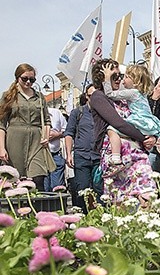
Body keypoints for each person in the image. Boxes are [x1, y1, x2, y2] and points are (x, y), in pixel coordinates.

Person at [90, 59, 156, 203]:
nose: (119, 79)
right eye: (114, 76)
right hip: (116, 157)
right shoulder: (98, 96)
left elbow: (143, 119)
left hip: (136, 153)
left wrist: (152, 137)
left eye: (120, 76)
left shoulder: (125, 96)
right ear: (102, 77)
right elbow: (118, 123)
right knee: (121, 201)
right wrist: (143, 138)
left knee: (147, 193)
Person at [0, 63, 56, 191]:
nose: (28, 82)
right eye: (25, 78)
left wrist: (46, 137)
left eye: (32, 79)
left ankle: (37, 209)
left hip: (37, 142)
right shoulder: (8, 96)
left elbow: (47, 121)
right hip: (14, 140)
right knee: (15, 178)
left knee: (38, 177)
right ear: (17, 78)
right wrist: (1, 148)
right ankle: (17, 209)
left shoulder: (40, 97)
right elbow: (1, 124)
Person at [100, 64, 160, 176]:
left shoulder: (132, 92)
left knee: (111, 129)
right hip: (148, 122)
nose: (123, 80)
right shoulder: (142, 93)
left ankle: (116, 158)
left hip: (139, 120)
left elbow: (110, 94)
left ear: (135, 80)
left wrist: (107, 79)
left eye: (126, 77)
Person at [64, 86, 102, 212]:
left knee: (99, 189)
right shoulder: (78, 112)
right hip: (81, 156)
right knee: (82, 188)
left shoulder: (103, 113)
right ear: (86, 96)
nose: (94, 99)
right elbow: (69, 133)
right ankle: (83, 215)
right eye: (91, 96)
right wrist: (69, 154)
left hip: (99, 156)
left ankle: (99, 216)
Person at [44, 106, 68, 191]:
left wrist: (57, 135)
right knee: (44, 188)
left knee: (57, 187)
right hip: (40, 156)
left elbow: (67, 130)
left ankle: (58, 203)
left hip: (55, 153)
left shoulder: (56, 113)